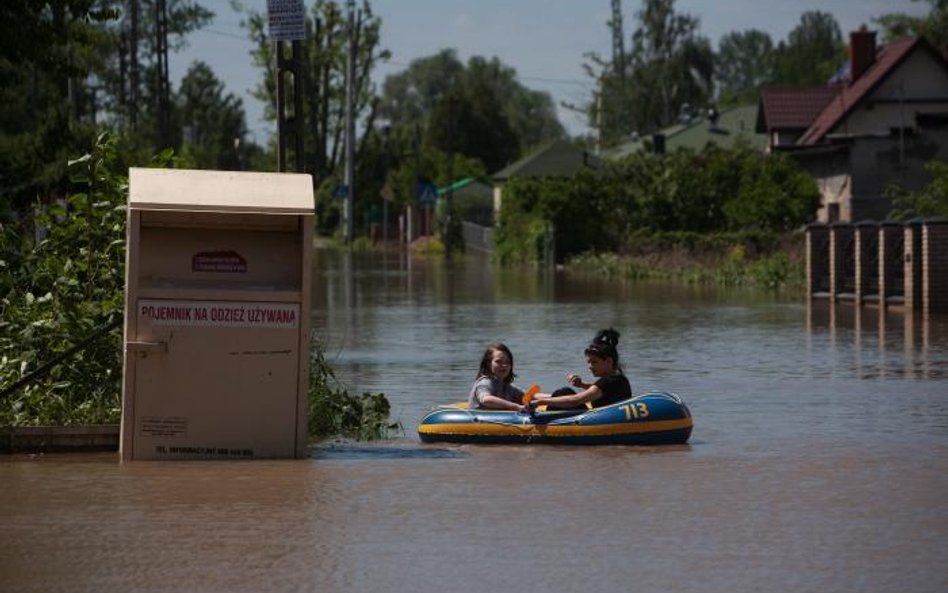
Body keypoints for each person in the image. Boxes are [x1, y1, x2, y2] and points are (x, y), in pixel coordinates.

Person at [530, 328, 632, 410]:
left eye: (594, 362)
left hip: (598, 423)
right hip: (608, 419)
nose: (590, 367)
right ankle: (533, 396)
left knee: (563, 392)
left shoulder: (608, 382)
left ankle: (535, 400)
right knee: (562, 394)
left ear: (609, 361)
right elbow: (601, 389)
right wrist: (581, 384)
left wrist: (541, 402)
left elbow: (575, 400)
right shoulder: (619, 379)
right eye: (588, 362)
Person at [468, 343, 527, 412]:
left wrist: (542, 399)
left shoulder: (506, 386)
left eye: (507, 362)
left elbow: (528, 395)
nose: (504, 365)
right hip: (478, 420)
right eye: (498, 361)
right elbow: (486, 399)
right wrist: (516, 407)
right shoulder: (485, 382)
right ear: (488, 364)